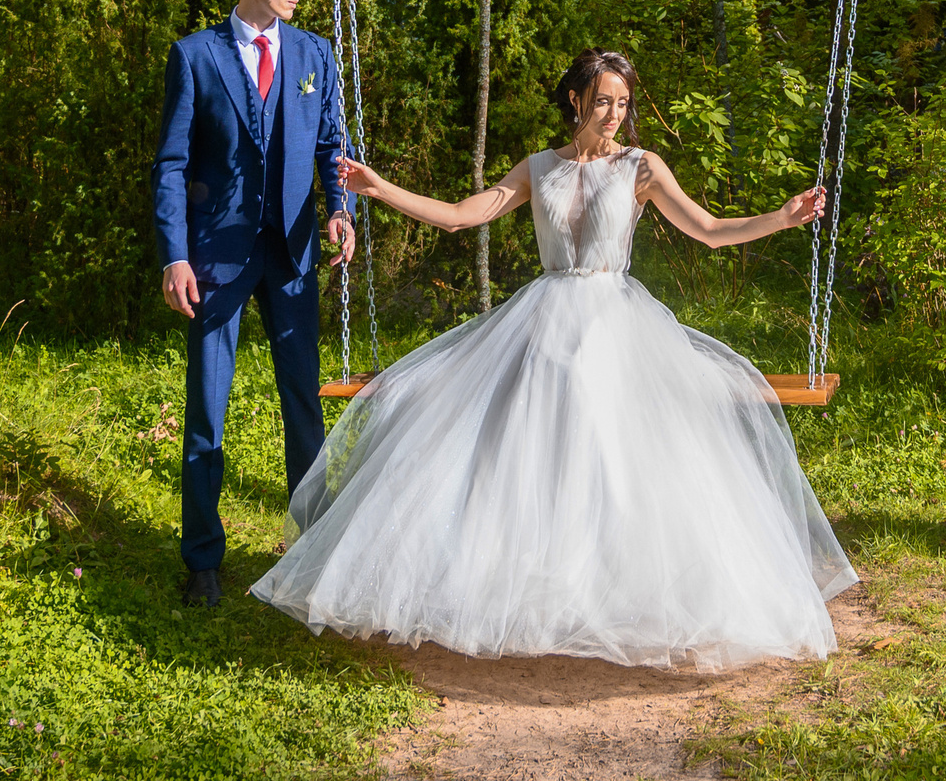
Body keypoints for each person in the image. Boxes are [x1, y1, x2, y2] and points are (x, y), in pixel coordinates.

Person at [251, 48, 858, 671]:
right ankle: (524, 583)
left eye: (623, 103)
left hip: (614, 323)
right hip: (544, 321)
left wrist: (782, 220)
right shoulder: (540, 168)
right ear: (576, 100)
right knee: (520, 452)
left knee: (614, 455)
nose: (614, 115)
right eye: (603, 102)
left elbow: (707, 228)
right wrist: (380, 187)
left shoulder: (640, 168)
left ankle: (623, 590)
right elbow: (464, 217)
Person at [152, 0, 357, 609]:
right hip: (214, 261)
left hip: (294, 256)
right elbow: (173, 164)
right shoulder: (195, 58)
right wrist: (176, 253)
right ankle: (202, 561)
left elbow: (333, 143)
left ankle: (316, 549)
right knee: (207, 411)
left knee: (304, 404)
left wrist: (340, 210)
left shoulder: (313, 54)